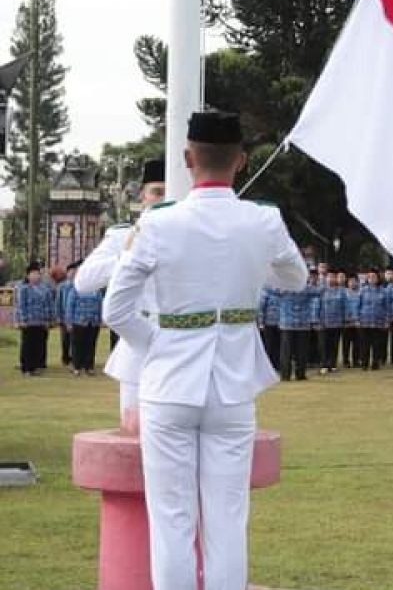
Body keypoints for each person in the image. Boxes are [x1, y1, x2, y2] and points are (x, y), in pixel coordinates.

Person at [102, 110, 308, 590]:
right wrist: (257, 266)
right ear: (240, 161)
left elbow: (116, 309)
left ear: (187, 158)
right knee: (227, 519)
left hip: (169, 383)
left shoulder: (158, 224)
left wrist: (155, 344)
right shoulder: (264, 220)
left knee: (172, 519)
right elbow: (294, 279)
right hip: (234, 386)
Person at [75, 158, 167, 430]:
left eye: (170, 193)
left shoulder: (195, 235)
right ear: (143, 196)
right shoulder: (122, 235)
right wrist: (130, 257)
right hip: (138, 341)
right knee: (134, 431)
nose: (163, 200)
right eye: (157, 192)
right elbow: (84, 281)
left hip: (184, 342)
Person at [15, 263, 55, 376]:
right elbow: (21, 306)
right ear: (28, 276)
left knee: (40, 344)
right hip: (28, 322)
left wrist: (50, 320)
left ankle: (37, 366)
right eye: (33, 274)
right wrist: (22, 320)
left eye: (37, 273)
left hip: (42, 322)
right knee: (28, 345)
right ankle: (27, 368)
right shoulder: (23, 289)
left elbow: (50, 305)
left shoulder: (45, 289)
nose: (36, 276)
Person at [67, 266, 104, 377]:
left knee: (91, 345)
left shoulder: (95, 290)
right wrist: (69, 322)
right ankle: (77, 367)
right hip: (78, 321)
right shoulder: (75, 289)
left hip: (93, 322)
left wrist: (100, 319)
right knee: (77, 345)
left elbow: (100, 305)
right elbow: (70, 306)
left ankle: (89, 367)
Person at [319, 271, 348, 375]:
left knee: (334, 344)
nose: (331, 279)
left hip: (337, 322)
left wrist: (344, 319)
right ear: (326, 279)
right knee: (324, 345)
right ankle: (324, 365)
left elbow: (345, 306)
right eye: (329, 277)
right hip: (324, 322)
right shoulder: (322, 291)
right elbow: (318, 305)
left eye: (333, 277)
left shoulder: (341, 291)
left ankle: (333, 364)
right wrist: (318, 320)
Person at [56, 263, 76, 366]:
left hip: (76, 317)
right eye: (71, 272)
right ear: (67, 273)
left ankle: (74, 357)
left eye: (75, 272)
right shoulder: (62, 286)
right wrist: (58, 316)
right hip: (64, 317)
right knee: (65, 339)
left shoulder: (78, 285)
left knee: (75, 339)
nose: (73, 274)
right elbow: (58, 302)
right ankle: (65, 357)